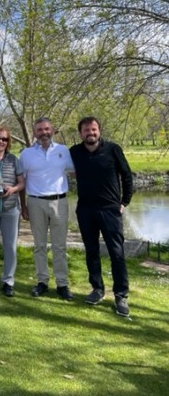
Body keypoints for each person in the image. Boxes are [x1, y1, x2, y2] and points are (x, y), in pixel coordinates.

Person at [70, 116, 133, 316]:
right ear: (80, 133)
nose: (91, 133)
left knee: (117, 253)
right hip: (86, 210)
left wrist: (124, 202)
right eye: (87, 130)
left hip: (110, 210)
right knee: (91, 251)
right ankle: (97, 289)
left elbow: (127, 175)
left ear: (99, 130)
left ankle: (121, 295)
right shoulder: (74, 152)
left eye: (94, 129)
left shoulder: (113, 149)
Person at [19, 117, 74, 300]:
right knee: (39, 245)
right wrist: (23, 205)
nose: (44, 132)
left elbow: (76, 172)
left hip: (59, 202)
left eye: (47, 129)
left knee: (59, 245)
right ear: (34, 132)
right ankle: (42, 281)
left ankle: (62, 284)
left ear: (53, 130)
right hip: (35, 202)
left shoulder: (63, 151)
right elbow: (22, 181)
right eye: (40, 129)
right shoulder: (26, 154)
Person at [0, 126, 25, 297]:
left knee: (10, 247)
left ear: (8, 143)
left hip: (10, 209)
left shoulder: (14, 160)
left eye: (5, 139)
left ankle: (9, 281)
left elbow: (22, 182)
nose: (1, 141)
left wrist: (13, 189)